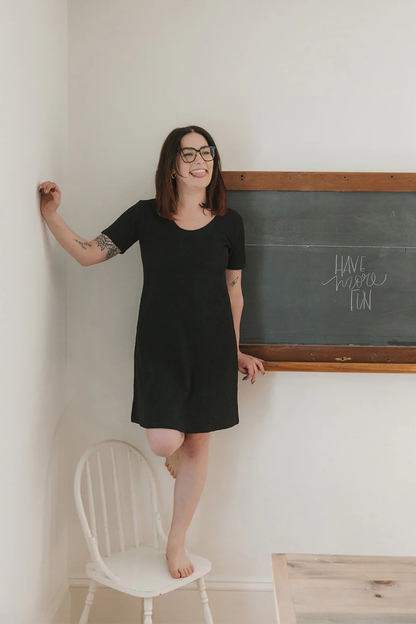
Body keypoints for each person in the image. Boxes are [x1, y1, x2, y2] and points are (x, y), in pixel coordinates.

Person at [39, 124, 265, 580]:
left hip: (213, 350)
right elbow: (87, 254)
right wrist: (50, 215)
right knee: (166, 440)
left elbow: (233, 292)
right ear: (171, 165)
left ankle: (176, 541)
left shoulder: (230, 223)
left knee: (198, 445)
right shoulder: (146, 217)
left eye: (207, 152)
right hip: (161, 349)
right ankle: (172, 455)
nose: (201, 161)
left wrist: (235, 350)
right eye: (189, 154)